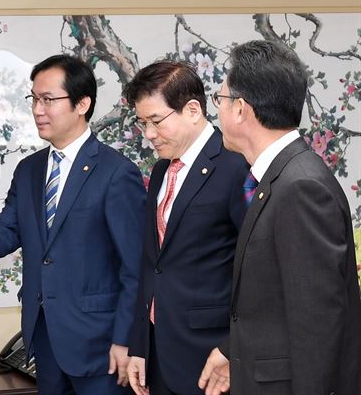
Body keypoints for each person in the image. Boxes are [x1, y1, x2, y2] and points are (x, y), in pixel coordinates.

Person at [0, 54, 147, 394]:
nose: (38, 109)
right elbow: (9, 227)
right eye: (34, 99)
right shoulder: (29, 169)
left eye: (48, 100)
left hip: (102, 345)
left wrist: (126, 339)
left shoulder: (116, 173)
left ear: (82, 103)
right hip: (45, 338)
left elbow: (135, 266)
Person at [198, 40, 361, 395]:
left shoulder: (300, 186)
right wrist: (232, 351)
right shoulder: (279, 176)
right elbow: (271, 300)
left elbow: (317, 323)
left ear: (241, 109)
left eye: (220, 100)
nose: (218, 112)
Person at [122, 60, 249, 395]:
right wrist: (139, 345)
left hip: (212, 358)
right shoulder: (162, 172)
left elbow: (255, 270)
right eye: (142, 123)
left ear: (193, 109)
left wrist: (234, 349)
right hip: (158, 353)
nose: (148, 133)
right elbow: (152, 265)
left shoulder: (236, 166)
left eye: (156, 121)